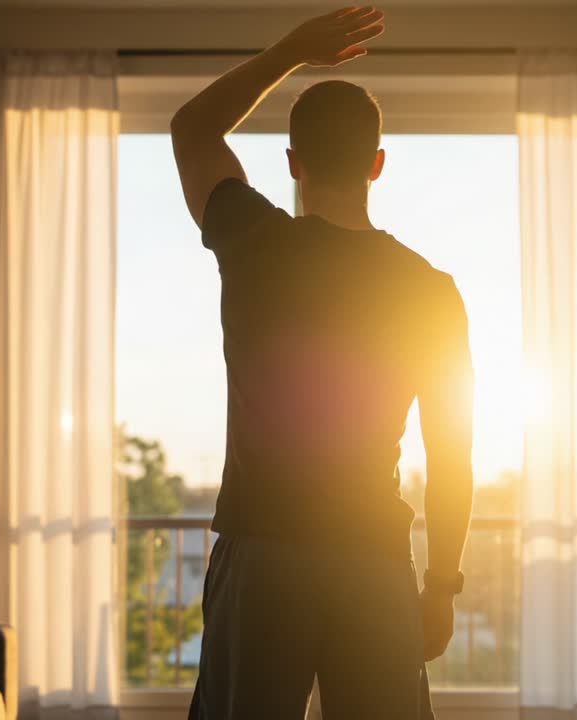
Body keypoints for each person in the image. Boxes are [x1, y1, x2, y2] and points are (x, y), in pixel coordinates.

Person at [171, 7, 474, 719]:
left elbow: (193, 129)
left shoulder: (253, 242)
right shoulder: (431, 290)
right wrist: (441, 587)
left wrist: (292, 52)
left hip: (263, 556)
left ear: (290, 163)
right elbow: (453, 456)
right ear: (377, 164)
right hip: (370, 562)